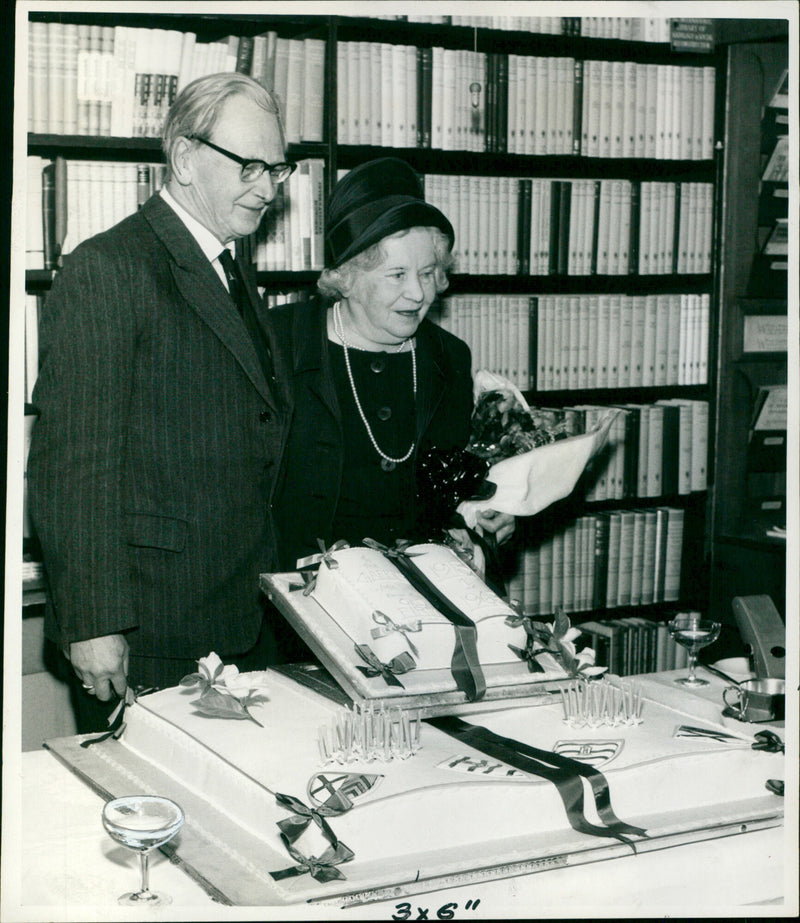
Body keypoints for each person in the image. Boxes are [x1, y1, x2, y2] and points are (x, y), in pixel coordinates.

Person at [27, 73, 294, 729]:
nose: (267, 187)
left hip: (239, 619)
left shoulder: (228, 267)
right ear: (182, 158)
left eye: (278, 169)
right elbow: (74, 466)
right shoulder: (109, 268)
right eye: (251, 166)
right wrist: (93, 623)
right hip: (151, 629)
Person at [269, 157, 514, 592]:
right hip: (296, 605)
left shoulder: (449, 358)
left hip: (415, 601)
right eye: (396, 274)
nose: (418, 293)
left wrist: (484, 509)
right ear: (347, 277)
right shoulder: (279, 344)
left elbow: (448, 489)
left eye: (426, 273)